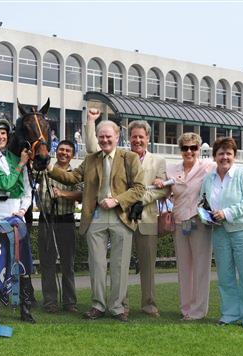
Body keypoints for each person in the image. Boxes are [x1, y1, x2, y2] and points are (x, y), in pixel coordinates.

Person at [48, 120, 145, 322]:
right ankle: (98, 305)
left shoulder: (130, 158)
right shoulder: (91, 159)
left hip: (121, 216)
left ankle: (117, 308)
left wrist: (116, 200)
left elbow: (139, 189)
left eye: (108, 136)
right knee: (97, 265)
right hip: (96, 217)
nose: (105, 140)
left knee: (120, 265)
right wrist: (49, 166)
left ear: (117, 137)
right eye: (101, 136)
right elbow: (72, 177)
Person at [86, 111, 169, 318]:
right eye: (134, 136)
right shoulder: (119, 157)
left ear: (148, 139)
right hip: (121, 218)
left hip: (146, 219)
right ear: (128, 138)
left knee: (147, 265)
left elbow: (164, 189)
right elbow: (92, 148)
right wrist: (90, 122)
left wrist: (139, 199)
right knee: (119, 264)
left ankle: (149, 304)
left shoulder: (158, 161)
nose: (138, 140)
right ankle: (121, 305)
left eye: (141, 136)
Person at [200, 137, 243, 329]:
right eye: (221, 153)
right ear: (215, 156)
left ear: (234, 156)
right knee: (225, 276)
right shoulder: (208, 179)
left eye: (229, 153)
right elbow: (202, 202)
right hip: (220, 232)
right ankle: (229, 313)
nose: (225, 157)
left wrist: (227, 213)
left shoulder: (242, 175)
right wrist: (206, 216)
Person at [0, 115, 35, 322]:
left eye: (3, 133)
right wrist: (21, 164)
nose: (0, 137)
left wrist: (22, 210)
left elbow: (27, 189)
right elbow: (4, 183)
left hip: (16, 213)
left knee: (21, 258)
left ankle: (25, 308)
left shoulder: (14, 157)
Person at [155, 133, 214, 321]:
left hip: (199, 222)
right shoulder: (171, 169)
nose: (189, 151)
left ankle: (198, 311)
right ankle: (186, 308)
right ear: (180, 150)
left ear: (198, 149)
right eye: (185, 148)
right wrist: (158, 184)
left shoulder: (208, 167)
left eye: (193, 148)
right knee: (184, 268)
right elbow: (164, 189)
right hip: (180, 222)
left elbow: (232, 168)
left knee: (201, 267)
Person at [37, 139, 82, 314]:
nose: (64, 153)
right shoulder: (44, 170)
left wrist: (63, 193)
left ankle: (70, 302)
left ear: (73, 155)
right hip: (46, 218)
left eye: (68, 151)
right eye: (61, 149)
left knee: (67, 263)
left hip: (66, 219)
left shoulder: (76, 173)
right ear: (56, 152)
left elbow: (81, 195)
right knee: (47, 262)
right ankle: (50, 301)